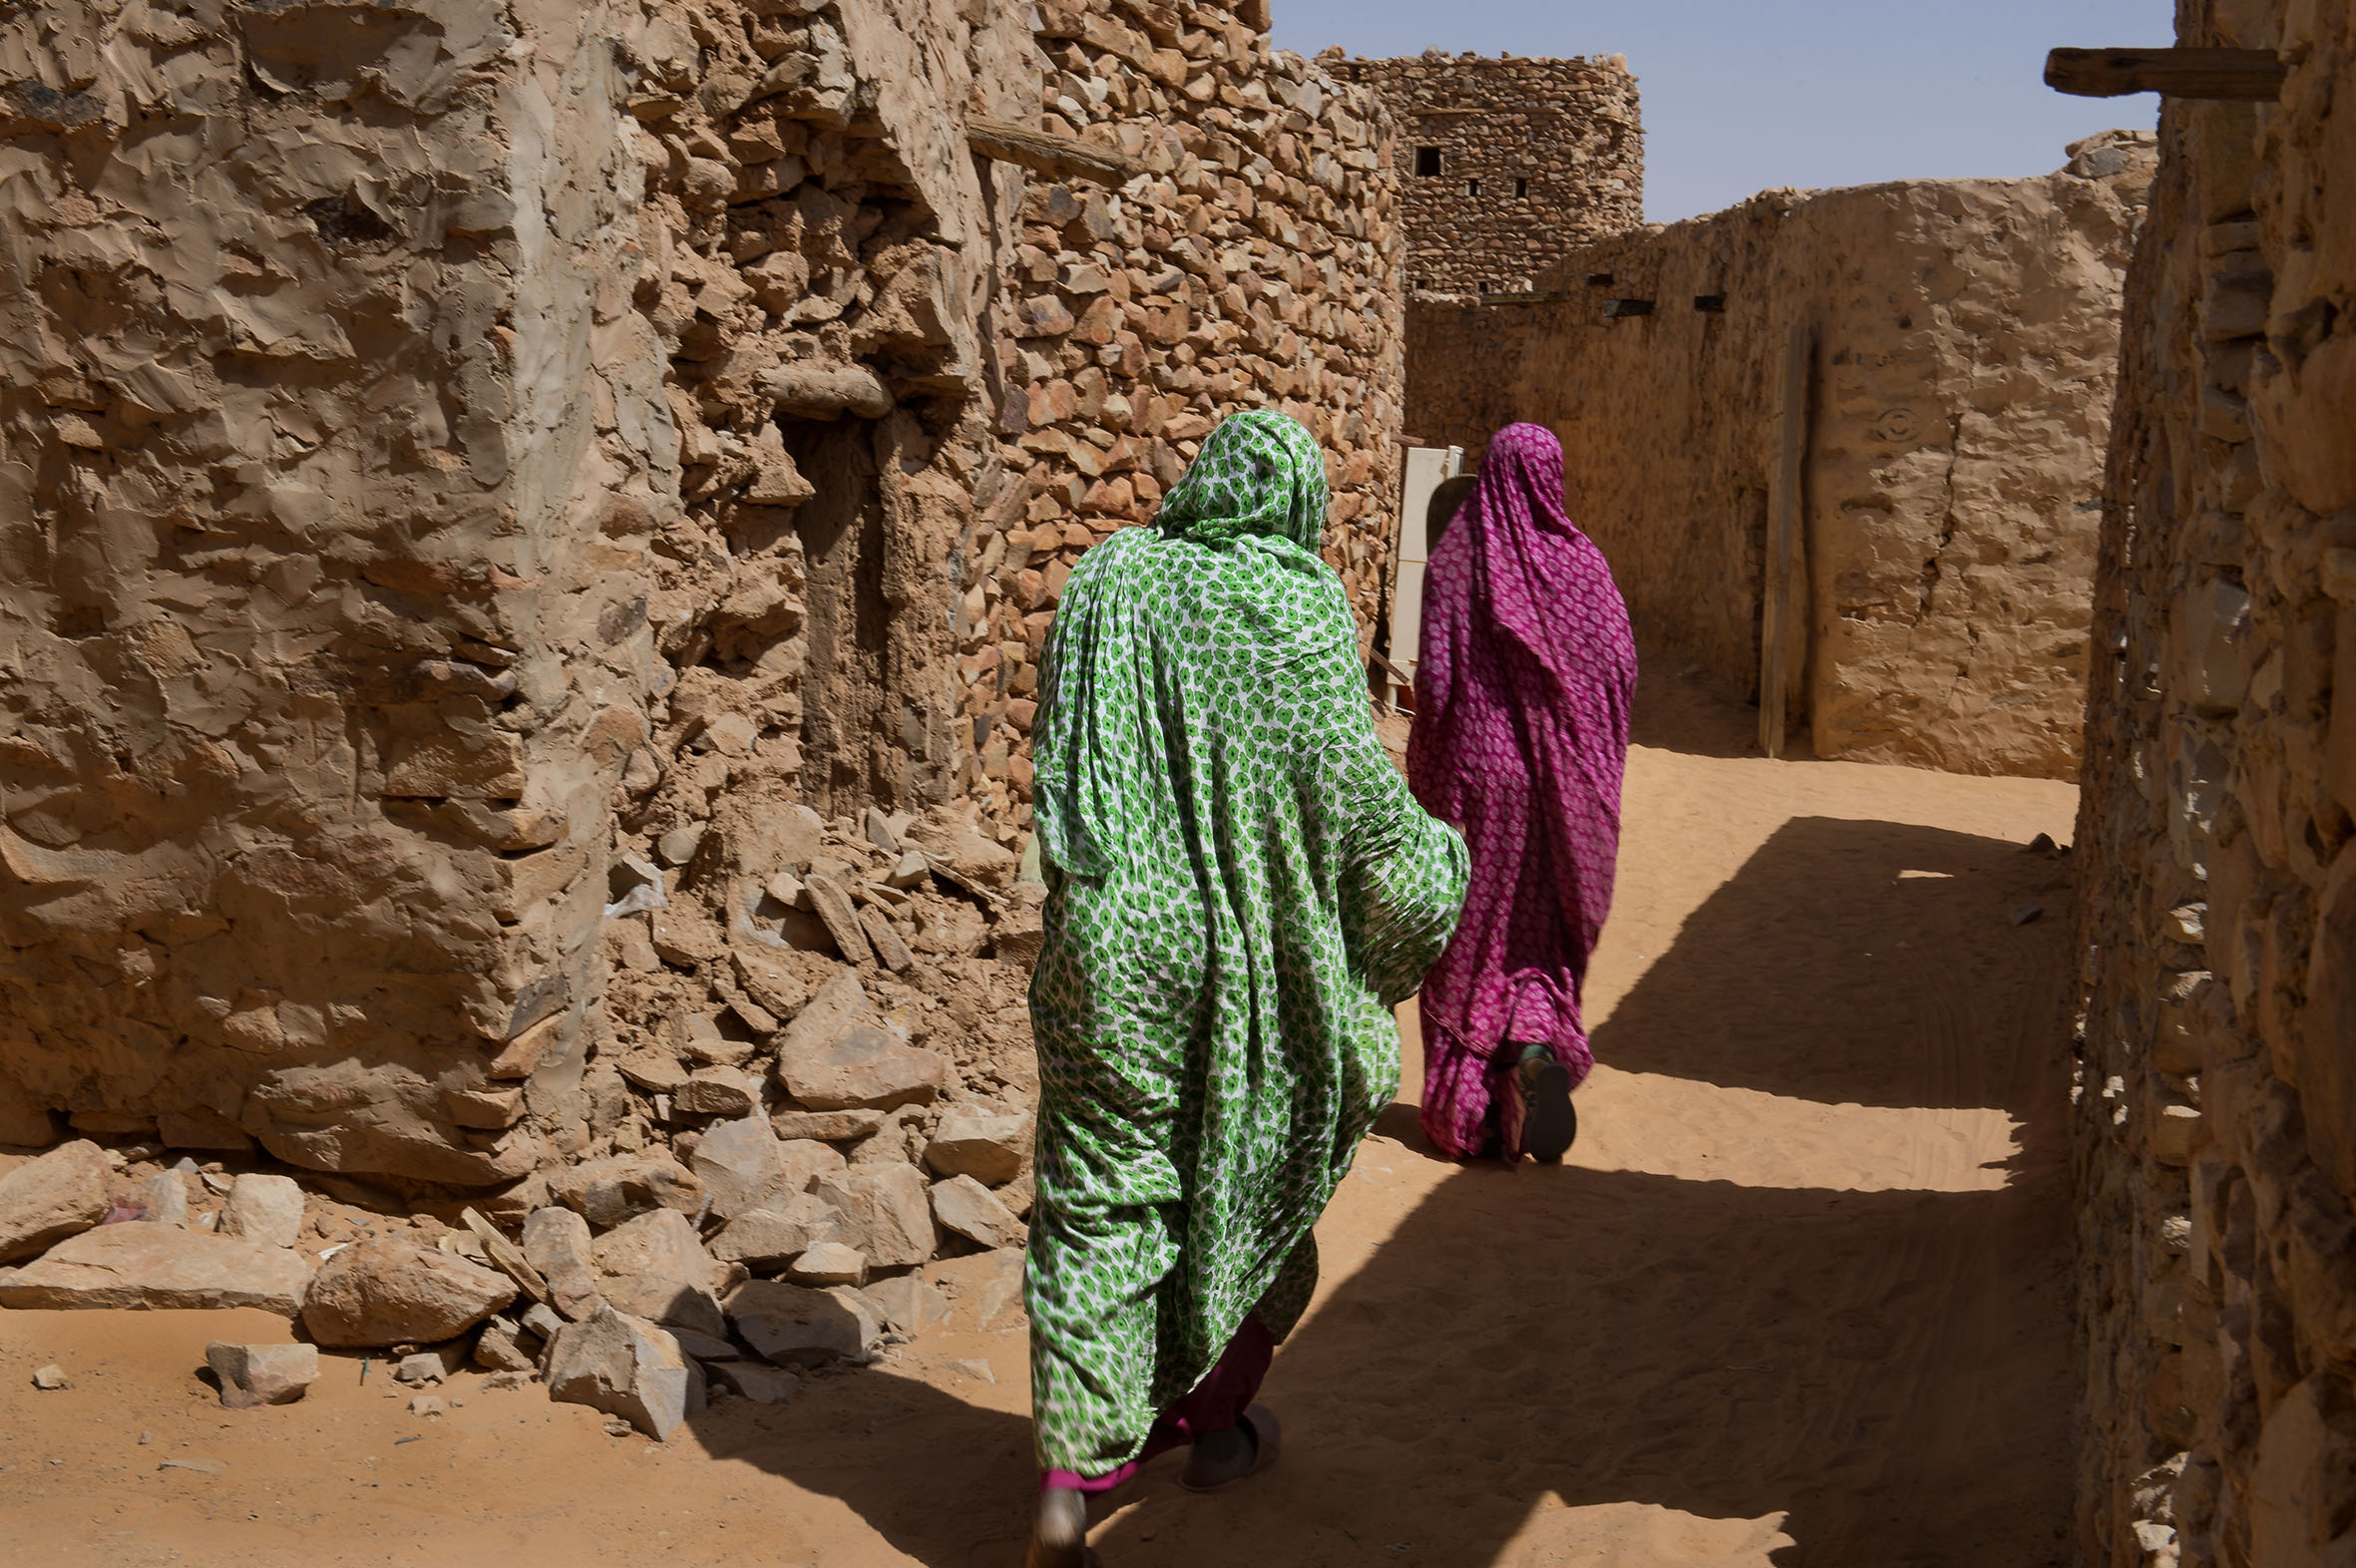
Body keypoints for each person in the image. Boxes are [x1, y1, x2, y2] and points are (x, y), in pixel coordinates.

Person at [1022, 410, 1469, 1567]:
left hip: (1107, 946)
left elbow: (1065, 772)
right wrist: (1432, 886)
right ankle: (1213, 1424)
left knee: (1101, 1201)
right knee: (1248, 1177)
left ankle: (1070, 1479)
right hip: (1248, 964)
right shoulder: (1302, 606)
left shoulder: (1109, 578)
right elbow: (1361, 812)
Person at [1405, 422, 1637, 1165]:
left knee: (1473, 939)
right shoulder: (1585, 566)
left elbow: (1436, 688)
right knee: (1536, 942)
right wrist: (1572, 746)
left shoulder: (1455, 561)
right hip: (1560, 792)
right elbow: (1619, 674)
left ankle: (1468, 1114)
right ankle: (1535, 1048)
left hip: (1476, 784)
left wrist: (1426, 766)